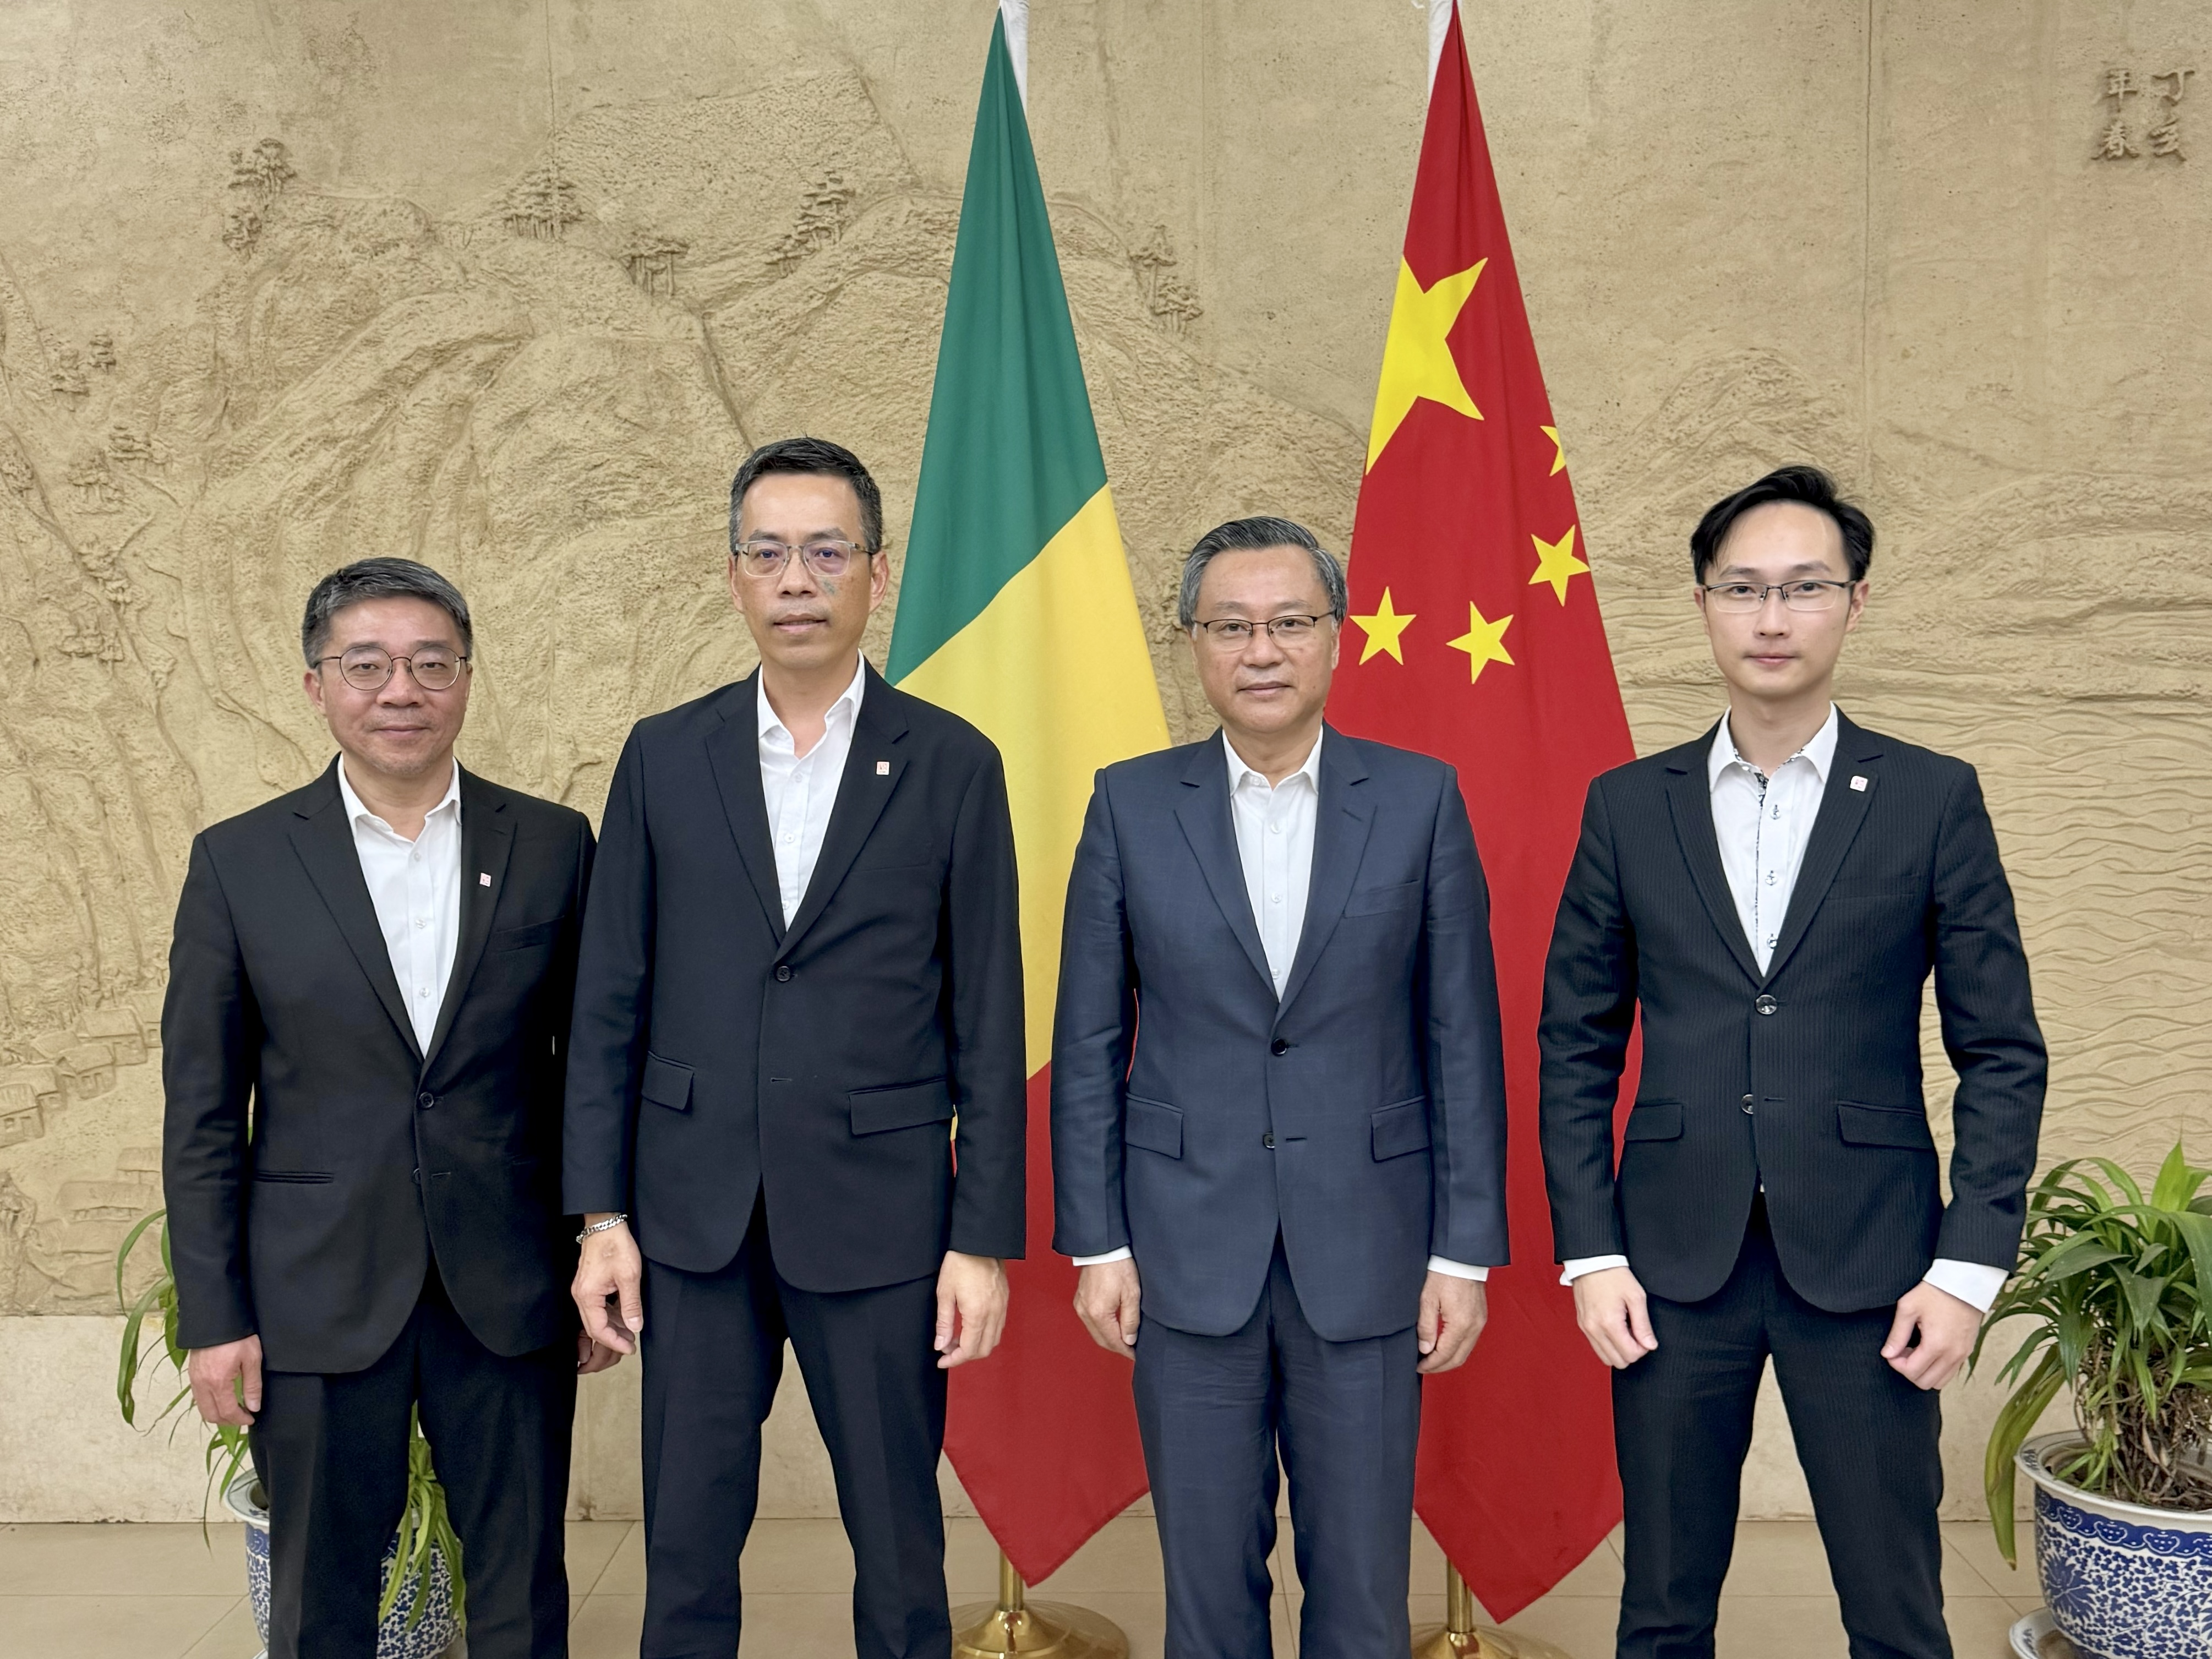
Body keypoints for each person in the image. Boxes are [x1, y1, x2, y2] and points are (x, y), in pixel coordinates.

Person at [1538, 465, 2047, 1659]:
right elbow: (1576, 1042)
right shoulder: (1627, 805)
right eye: (1744, 588)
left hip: (1876, 1266)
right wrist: (1591, 1250)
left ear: (1854, 603)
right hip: (1668, 1265)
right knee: (1661, 1605)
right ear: (1706, 605)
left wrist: (1967, 1269)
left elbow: (2002, 1050)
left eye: (1804, 587)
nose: (1773, 616)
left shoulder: (1930, 798)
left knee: (1895, 1608)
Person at [562, 436, 1025, 1659]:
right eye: (768, 552)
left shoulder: (953, 764)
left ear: (877, 569)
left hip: (881, 1216)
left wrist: (980, 1237)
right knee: (688, 1544)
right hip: (691, 1219)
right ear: (733, 578)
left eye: (827, 551)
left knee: (898, 1545)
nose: (797, 578)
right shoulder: (667, 755)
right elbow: (609, 997)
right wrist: (601, 1215)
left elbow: (988, 1014)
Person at [1052, 516, 1509, 1659]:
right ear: (1194, 645)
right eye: (1231, 626)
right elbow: (1090, 1037)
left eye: (1290, 623)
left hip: (1369, 1248)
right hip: (1181, 1248)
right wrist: (1096, 1240)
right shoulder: (1128, 803)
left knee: (1361, 1588)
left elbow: (1461, 1034)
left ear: (1335, 637)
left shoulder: (1419, 800)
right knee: (1207, 1587)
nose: (1263, 650)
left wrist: (1462, 1252)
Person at [162, 558, 605, 1659]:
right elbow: (205, 1111)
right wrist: (216, 1317)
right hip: (316, 1294)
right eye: (366, 664)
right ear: (318, 686)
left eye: (429, 663)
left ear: (465, 678)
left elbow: (587, 1069)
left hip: (505, 1285)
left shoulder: (551, 846)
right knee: (321, 1600)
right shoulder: (241, 862)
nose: (399, 690)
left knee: (521, 1589)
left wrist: (597, 1240)